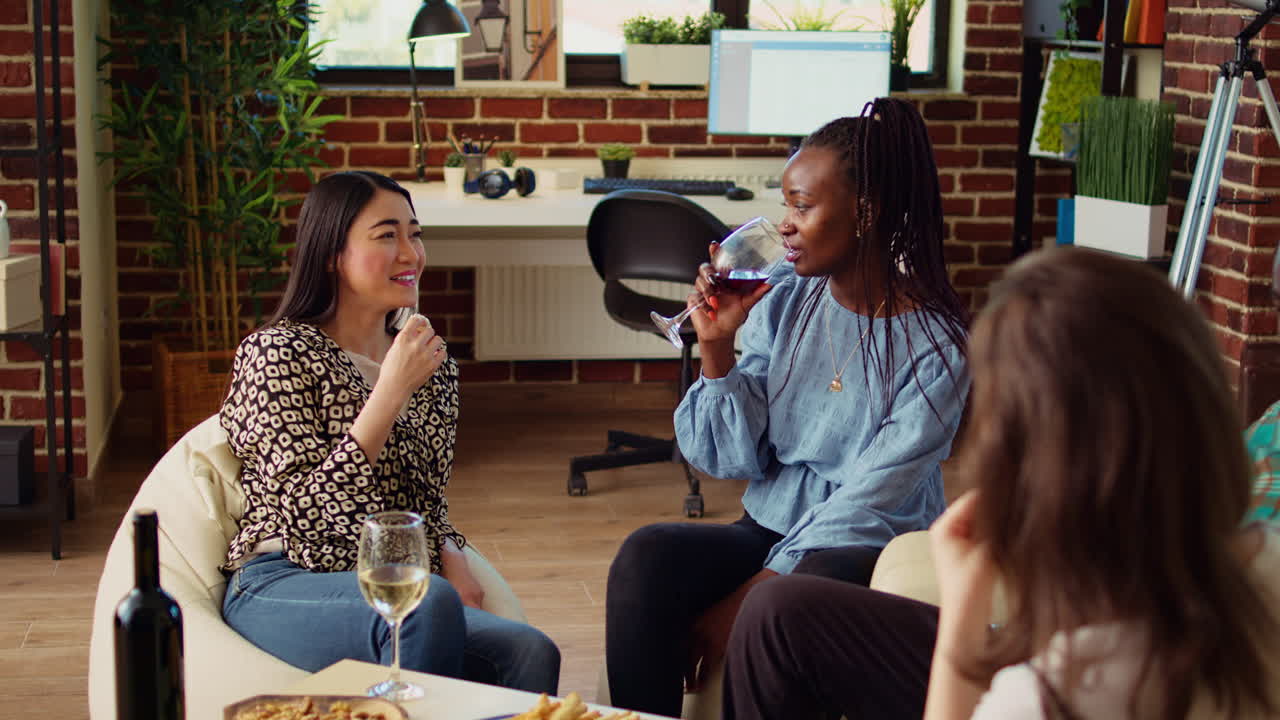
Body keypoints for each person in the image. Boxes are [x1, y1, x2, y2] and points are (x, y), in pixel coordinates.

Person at [724, 248, 1280, 720]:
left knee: (779, 613)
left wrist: (964, 614)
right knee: (781, 611)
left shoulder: (1051, 694)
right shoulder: (1257, 569)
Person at [605, 98, 970, 717]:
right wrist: (716, 348)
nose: (785, 225)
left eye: (802, 206)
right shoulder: (787, 300)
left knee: (773, 609)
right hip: (768, 527)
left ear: (867, 213)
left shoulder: (936, 349)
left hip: (857, 548)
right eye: (786, 205)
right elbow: (729, 457)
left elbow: (869, 501)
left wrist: (748, 598)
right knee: (646, 556)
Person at [218, 170, 560, 693]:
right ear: (332, 252)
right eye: (386, 235)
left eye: (415, 234)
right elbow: (307, 519)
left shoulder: (431, 362)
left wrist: (453, 555)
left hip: (397, 581)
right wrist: (389, 394)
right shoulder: (278, 353)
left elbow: (426, 499)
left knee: (530, 650)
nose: (411, 253)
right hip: (285, 577)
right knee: (426, 599)